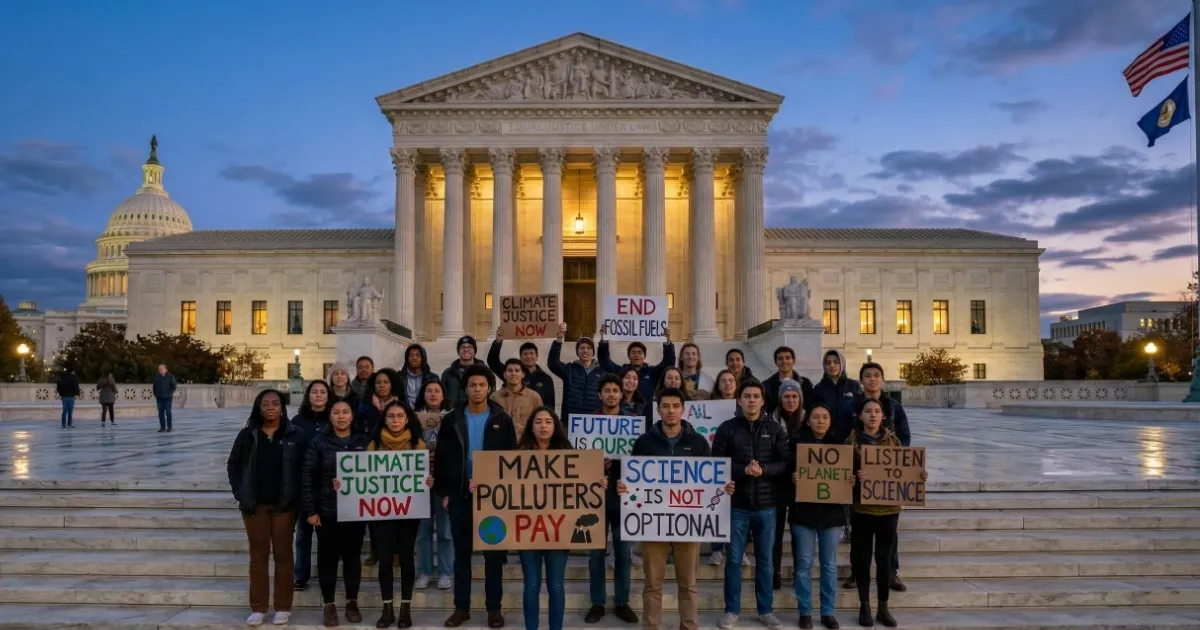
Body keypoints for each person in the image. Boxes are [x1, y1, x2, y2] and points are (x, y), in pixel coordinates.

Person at [618, 387, 733, 630]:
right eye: (666, 406)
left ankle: (689, 626)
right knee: (653, 584)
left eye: (675, 406)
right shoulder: (644, 442)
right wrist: (624, 487)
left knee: (688, 583)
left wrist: (723, 489)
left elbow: (709, 481)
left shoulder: (699, 443)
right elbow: (634, 479)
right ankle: (651, 626)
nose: (671, 410)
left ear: (683, 409)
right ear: (658, 410)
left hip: (688, 525)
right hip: (653, 525)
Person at [434, 365, 518, 628]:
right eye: (473, 385)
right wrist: (445, 493)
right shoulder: (451, 419)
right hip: (460, 496)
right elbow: (443, 459)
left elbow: (511, 459)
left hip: (493, 498)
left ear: (489, 388)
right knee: (462, 554)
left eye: (482, 385)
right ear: (466, 388)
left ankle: (494, 609)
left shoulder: (502, 419)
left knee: (494, 556)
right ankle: (462, 608)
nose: (478, 389)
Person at [518, 407, 605, 630]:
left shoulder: (569, 454)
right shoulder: (518, 455)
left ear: (555, 426)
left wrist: (598, 484)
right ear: (531, 426)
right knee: (531, 585)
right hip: (528, 531)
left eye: (548, 421)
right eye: (538, 422)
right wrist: (482, 485)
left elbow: (582, 487)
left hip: (560, 529)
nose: (543, 426)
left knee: (556, 585)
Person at [226, 389, 307, 627]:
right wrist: (240, 493)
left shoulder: (296, 435)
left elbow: (305, 469)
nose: (270, 407)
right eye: (265, 404)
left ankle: (283, 606)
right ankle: (259, 607)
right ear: (259, 408)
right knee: (258, 557)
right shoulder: (247, 434)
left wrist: (298, 499)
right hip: (254, 505)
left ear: (282, 407)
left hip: (284, 506)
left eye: (275, 403)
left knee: (283, 555)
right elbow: (233, 466)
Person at [712, 379, 789, 630]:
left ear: (763, 400)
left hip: (767, 507)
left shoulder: (776, 429)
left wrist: (763, 469)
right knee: (733, 560)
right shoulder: (727, 428)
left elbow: (784, 464)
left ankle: (765, 610)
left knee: (765, 561)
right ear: (739, 399)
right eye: (747, 396)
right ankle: (732, 610)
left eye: (756, 396)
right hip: (737, 505)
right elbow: (718, 463)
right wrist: (744, 471)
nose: (752, 400)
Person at [847, 398, 925, 628]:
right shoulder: (850, 443)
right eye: (868, 411)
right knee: (861, 559)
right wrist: (854, 477)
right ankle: (864, 606)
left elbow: (904, 471)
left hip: (889, 511)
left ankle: (883, 606)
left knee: (884, 560)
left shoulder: (894, 441)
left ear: (883, 416)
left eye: (877, 411)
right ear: (860, 416)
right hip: (861, 509)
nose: (872, 415)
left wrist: (918, 476)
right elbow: (841, 475)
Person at [840, 363, 910, 592]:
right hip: (860, 483)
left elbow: (905, 440)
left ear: (882, 379)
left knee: (890, 534)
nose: (872, 379)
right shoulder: (850, 406)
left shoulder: (894, 406)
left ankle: (891, 572)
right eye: (867, 376)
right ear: (861, 380)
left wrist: (900, 467)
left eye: (876, 375)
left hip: (887, 481)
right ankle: (856, 572)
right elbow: (844, 441)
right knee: (858, 535)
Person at [302, 399, 370, 627]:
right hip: (328, 510)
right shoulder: (319, 442)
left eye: (345, 412)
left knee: (352, 558)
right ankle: (329, 605)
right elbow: (308, 478)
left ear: (352, 416)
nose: (341, 416)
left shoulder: (364, 440)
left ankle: (352, 601)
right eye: (336, 412)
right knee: (327, 559)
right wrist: (311, 510)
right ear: (330, 417)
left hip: (356, 512)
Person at [368, 400, 431, 628]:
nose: (395, 420)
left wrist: (428, 481)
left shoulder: (418, 445)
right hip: (380, 512)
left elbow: (424, 476)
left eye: (400, 417)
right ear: (384, 419)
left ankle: (405, 606)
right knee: (385, 559)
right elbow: (363, 478)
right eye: (391, 416)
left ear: (407, 420)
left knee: (405, 558)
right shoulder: (374, 444)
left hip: (409, 511)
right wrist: (344, 484)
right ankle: (387, 607)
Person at [584, 374, 638, 625]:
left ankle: (621, 601)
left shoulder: (632, 424)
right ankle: (597, 602)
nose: (612, 394)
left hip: (623, 494)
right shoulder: (588, 424)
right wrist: (596, 463)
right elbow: (578, 462)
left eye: (616, 390)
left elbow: (640, 462)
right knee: (596, 553)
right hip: (594, 495)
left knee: (623, 551)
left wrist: (619, 464)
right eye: (607, 390)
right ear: (600, 395)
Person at [789, 404, 845, 630]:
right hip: (803, 515)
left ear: (830, 421)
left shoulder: (841, 445)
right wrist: (791, 477)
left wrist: (850, 480)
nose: (820, 421)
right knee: (803, 565)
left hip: (832, 515)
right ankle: (805, 611)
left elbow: (850, 476)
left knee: (829, 565)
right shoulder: (796, 444)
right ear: (808, 420)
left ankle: (828, 611)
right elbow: (784, 472)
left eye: (825, 417)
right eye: (816, 417)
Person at [291, 380, 332, 592]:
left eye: (322, 392)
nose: (318, 395)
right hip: (304, 483)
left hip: (329, 485)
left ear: (328, 395)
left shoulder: (334, 418)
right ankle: (301, 574)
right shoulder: (298, 420)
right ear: (309, 396)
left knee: (327, 535)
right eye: (314, 392)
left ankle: (328, 572)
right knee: (304, 532)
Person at [415, 379, 454, 591]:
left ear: (443, 394)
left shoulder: (453, 417)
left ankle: (446, 572)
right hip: (420, 482)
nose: (432, 394)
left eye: (437, 391)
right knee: (423, 531)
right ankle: (424, 571)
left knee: (446, 531)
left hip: (444, 482)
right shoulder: (413, 418)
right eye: (428, 390)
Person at [770, 379, 806, 592]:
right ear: (780, 399)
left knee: (798, 533)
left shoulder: (808, 420)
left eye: (794, 396)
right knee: (775, 534)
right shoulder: (772, 422)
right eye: (787, 396)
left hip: (800, 485)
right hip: (776, 485)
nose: (791, 400)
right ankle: (774, 573)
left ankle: (797, 571)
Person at [707, 368, 742, 568]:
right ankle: (716, 549)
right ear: (718, 385)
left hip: (738, 464)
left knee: (738, 509)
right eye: (724, 381)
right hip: (715, 463)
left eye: (731, 381)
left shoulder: (744, 406)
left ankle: (737, 548)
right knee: (717, 506)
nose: (728, 384)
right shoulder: (709, 407)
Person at [597, 325, 675, 402]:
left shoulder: (652, 372)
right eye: (633, 352)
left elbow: (668, 365)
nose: (636, 355)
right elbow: (605, 363)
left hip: (646, 411)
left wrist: (667, 341)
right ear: (628, 356)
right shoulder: (621, 371)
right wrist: (604, 341)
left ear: (644, 356)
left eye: (639, 353)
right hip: (624, 410)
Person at [548, 322, 606, 421]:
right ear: (577, 351)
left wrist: (604, 339)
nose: (585, 351)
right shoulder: (569, 369)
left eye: (588, 348)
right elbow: (553, 363)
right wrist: (559, 338)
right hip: (570, 422)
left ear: (593, 352)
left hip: (595, 422)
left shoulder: (602, 373)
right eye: (581, 348)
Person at [488, 328, 557, 411]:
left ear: (537, 356)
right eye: (525, 354)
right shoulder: (513, 374)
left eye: (531, 353)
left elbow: (550, 407)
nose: (528, 356)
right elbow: (493, 361)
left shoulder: (546, 379)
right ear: (520, 357)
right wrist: (498, 342)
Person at [490, 358, 543, 438]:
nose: (513, 374)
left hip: (526, 444)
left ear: (523, 374)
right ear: (504, 374)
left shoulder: (534, 397)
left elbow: (540, 422)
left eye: (517, 371)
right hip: (501, 444)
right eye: (510, 371)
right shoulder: (494, 397)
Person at [441, 336, 496, 408]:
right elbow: (442, 395)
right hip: (454, 415)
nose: (466, 350)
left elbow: (492, 394)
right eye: (463, 347)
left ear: (474, 351)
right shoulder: (448, 373)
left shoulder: (486, 372)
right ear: (458, 351)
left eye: (470, 347)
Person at [811, 350, 861, 428]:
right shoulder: (818, 389)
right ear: (824, 366)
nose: (832, 365)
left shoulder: (854, 386)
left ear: (842, 364)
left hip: (851, 434)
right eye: (828, 363)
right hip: (826, 435)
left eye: (836, 362)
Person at [762, 346, 814, 416]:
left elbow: (810, 407)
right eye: (780, 359)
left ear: (794, 361)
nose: (784, 361)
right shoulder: (766, 385)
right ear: (775, 362)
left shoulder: (805, 384)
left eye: (788, 358)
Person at [356, 368, 400, 437]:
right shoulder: (365, 406)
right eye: (378, 382)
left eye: (386, 382)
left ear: (392, 385)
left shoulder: (400, 405)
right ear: (374, 385)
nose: (382, 385)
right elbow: (358, 427)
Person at [400, 344, 437, 409]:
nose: (414, 358)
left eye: (418, 355)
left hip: (425, 415)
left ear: (423, 358)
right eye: (411, 355)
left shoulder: (432, 377)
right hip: (404, 414)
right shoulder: (399, 377)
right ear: (407, 358)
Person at [153, 364, 177, 433]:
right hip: (159, 398)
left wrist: (170, 393)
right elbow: (154, 386)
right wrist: (155, 394)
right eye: (159, 369)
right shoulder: (157, 377)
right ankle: (162, 427)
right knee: (160, 413)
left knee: (168, 412)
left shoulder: (170, 376)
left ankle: (169, 427)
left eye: (161, 369)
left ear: (166, 370)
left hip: (168, 398)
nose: (160, 370)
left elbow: (174, 386)